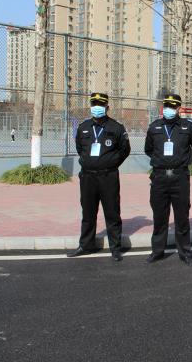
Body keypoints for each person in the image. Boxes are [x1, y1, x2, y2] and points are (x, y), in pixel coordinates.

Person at [67, 92, 131, 262]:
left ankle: (115, 248)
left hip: (108, 176)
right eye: (94, 104)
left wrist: (111, 162)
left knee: (112, 213)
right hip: (88, 177)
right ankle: (86, 245)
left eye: (100, 105)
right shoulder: (83, 127)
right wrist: (89, 162)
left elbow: (125, 150)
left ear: (107, 107)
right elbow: (80, 148)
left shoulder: (116, 127)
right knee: (88, 212)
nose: (97, 107)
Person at [144, 94, 192, 266]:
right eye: (166, 106)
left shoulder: (187, 127)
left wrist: (185, 159)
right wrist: (161, 160)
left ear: (178, 108)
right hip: (159, 177)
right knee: (159, 216)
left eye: (172, 106)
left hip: (180, 177)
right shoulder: (154, 127)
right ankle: (157, 252)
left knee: (182, 216)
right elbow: (148, 149)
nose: (169, 109)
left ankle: (185, 253)